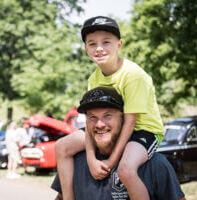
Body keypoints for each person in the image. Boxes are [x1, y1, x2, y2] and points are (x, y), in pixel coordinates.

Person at [55, 16, 165, 200]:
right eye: (92, 44)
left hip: (144, 130)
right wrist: (91, 159)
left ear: (119, 45)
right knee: (61, 147)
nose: (99, 48)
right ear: (86, 48)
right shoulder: (94, 78)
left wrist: (110, 161)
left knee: (126, 169)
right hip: (112, 125)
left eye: (106, 42)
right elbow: (91, 118)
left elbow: (130, 122)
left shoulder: (133, 75)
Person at [52, 87, 185, 200]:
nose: (99, 124)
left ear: (123, 119)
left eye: (107, 116)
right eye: (92, 117)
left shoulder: (154, 164)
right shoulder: (75, 162)